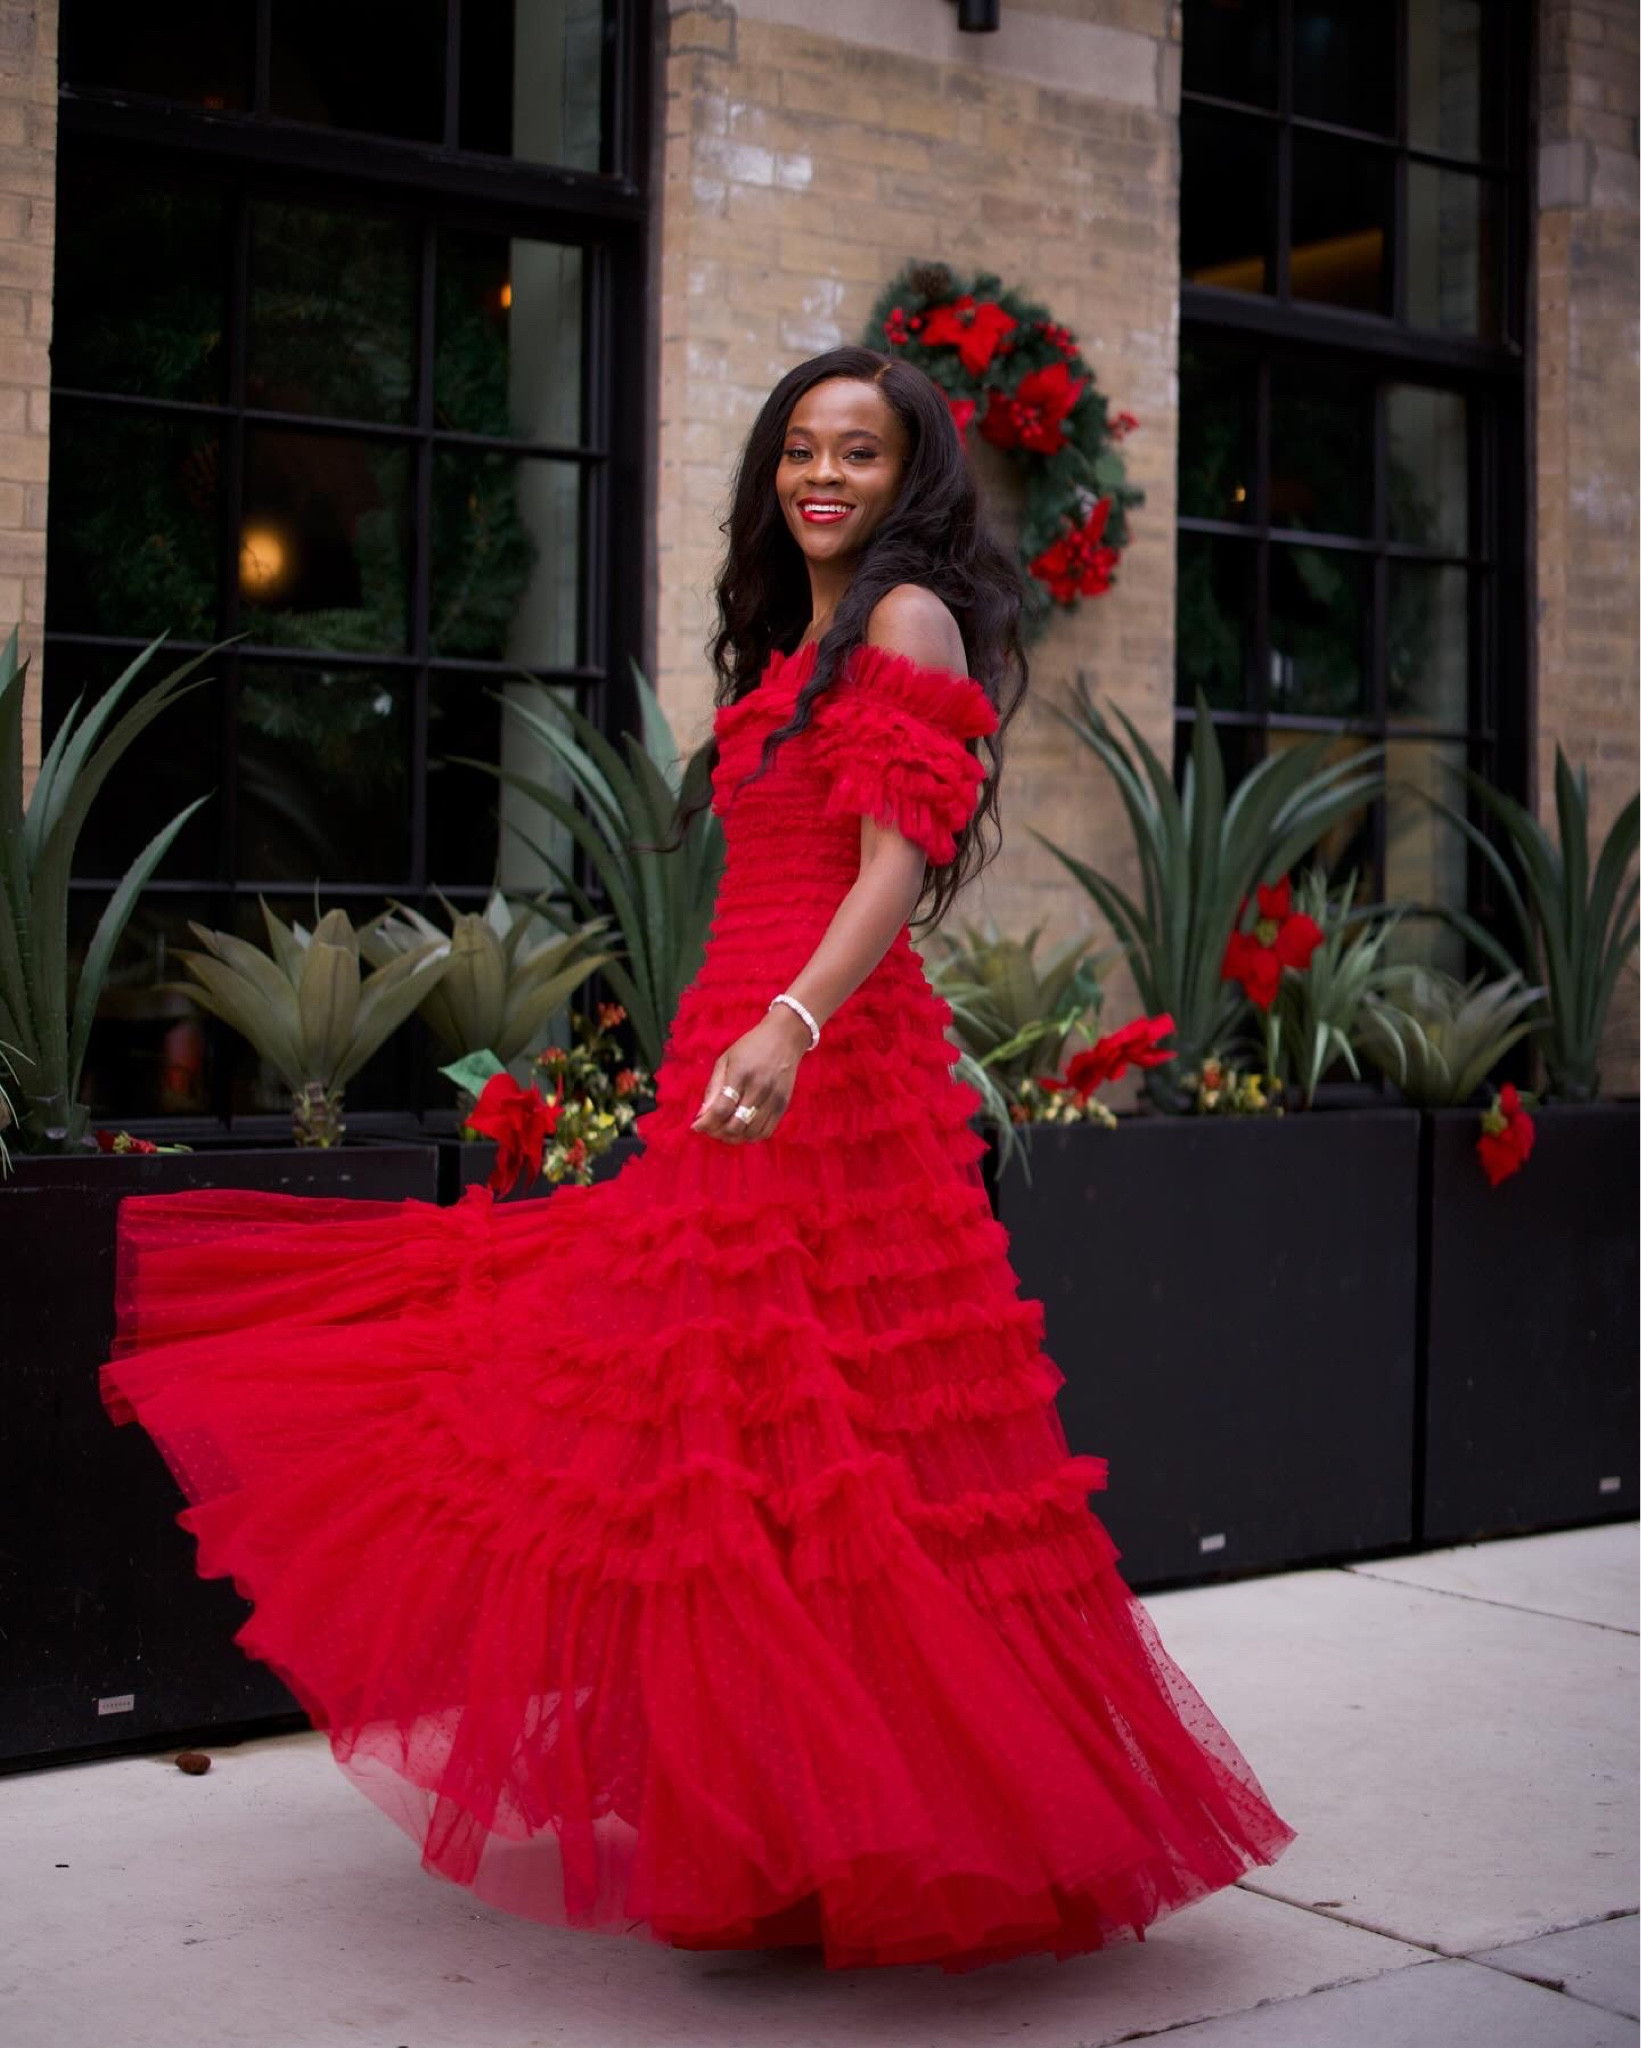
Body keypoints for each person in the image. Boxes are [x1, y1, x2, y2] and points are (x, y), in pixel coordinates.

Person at [102, 345, 1296, 1973]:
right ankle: (796, 1819)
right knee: (732, 1437)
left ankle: (911, 1823)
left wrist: (792, 1026)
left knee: (846, 1435)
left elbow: (895, 865)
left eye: (857, 453)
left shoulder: (905, 617)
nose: (821, 475)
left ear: (910, 475)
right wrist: (738, 1033)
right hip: (737, 1053)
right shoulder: (802, 632)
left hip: (822, 1062)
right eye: (800, 447)